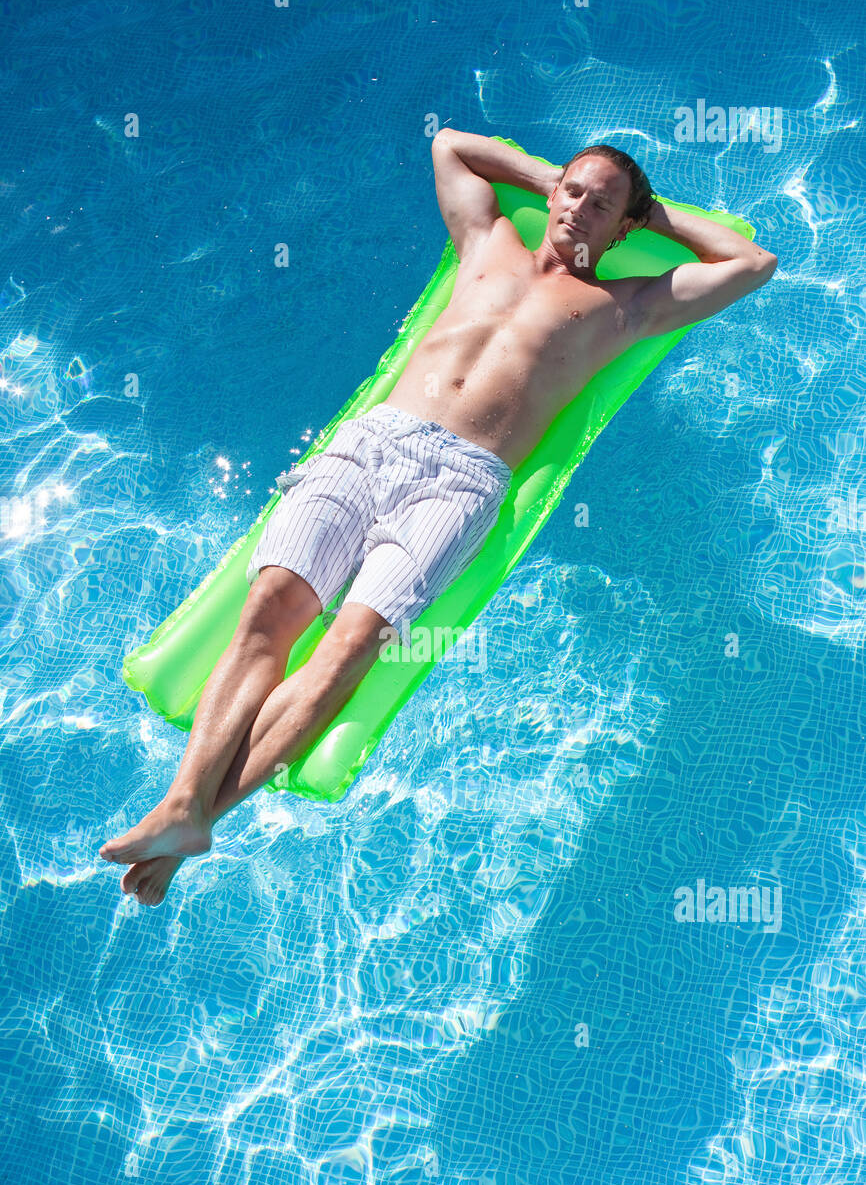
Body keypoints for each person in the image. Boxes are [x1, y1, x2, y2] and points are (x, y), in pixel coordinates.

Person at [99, 130, 777, 904]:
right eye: (575, 193)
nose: (582, 209)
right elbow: (452, 144)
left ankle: (198, 820)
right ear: (554, 193)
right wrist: (554, 177)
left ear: (626, 226)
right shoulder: (485, 242)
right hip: (373, 442)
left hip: (461, 484)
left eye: (604, 206)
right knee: (270, 610)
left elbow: (752, 264)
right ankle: (184, 804)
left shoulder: (625, 307)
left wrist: (647, 217)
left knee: (346, 650)